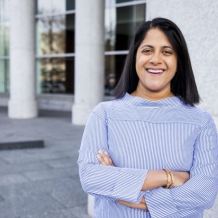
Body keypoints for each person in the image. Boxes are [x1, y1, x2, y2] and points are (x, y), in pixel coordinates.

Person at [77, 17, 218, 218]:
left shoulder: (200, 121)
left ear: (179, 61)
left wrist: (125, 187)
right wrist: (169, 177)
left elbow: (204, 192)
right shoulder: (104, 114)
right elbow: (90, 177)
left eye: (167, 52)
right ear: (135, 57)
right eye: (147, 50)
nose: (156, 59)